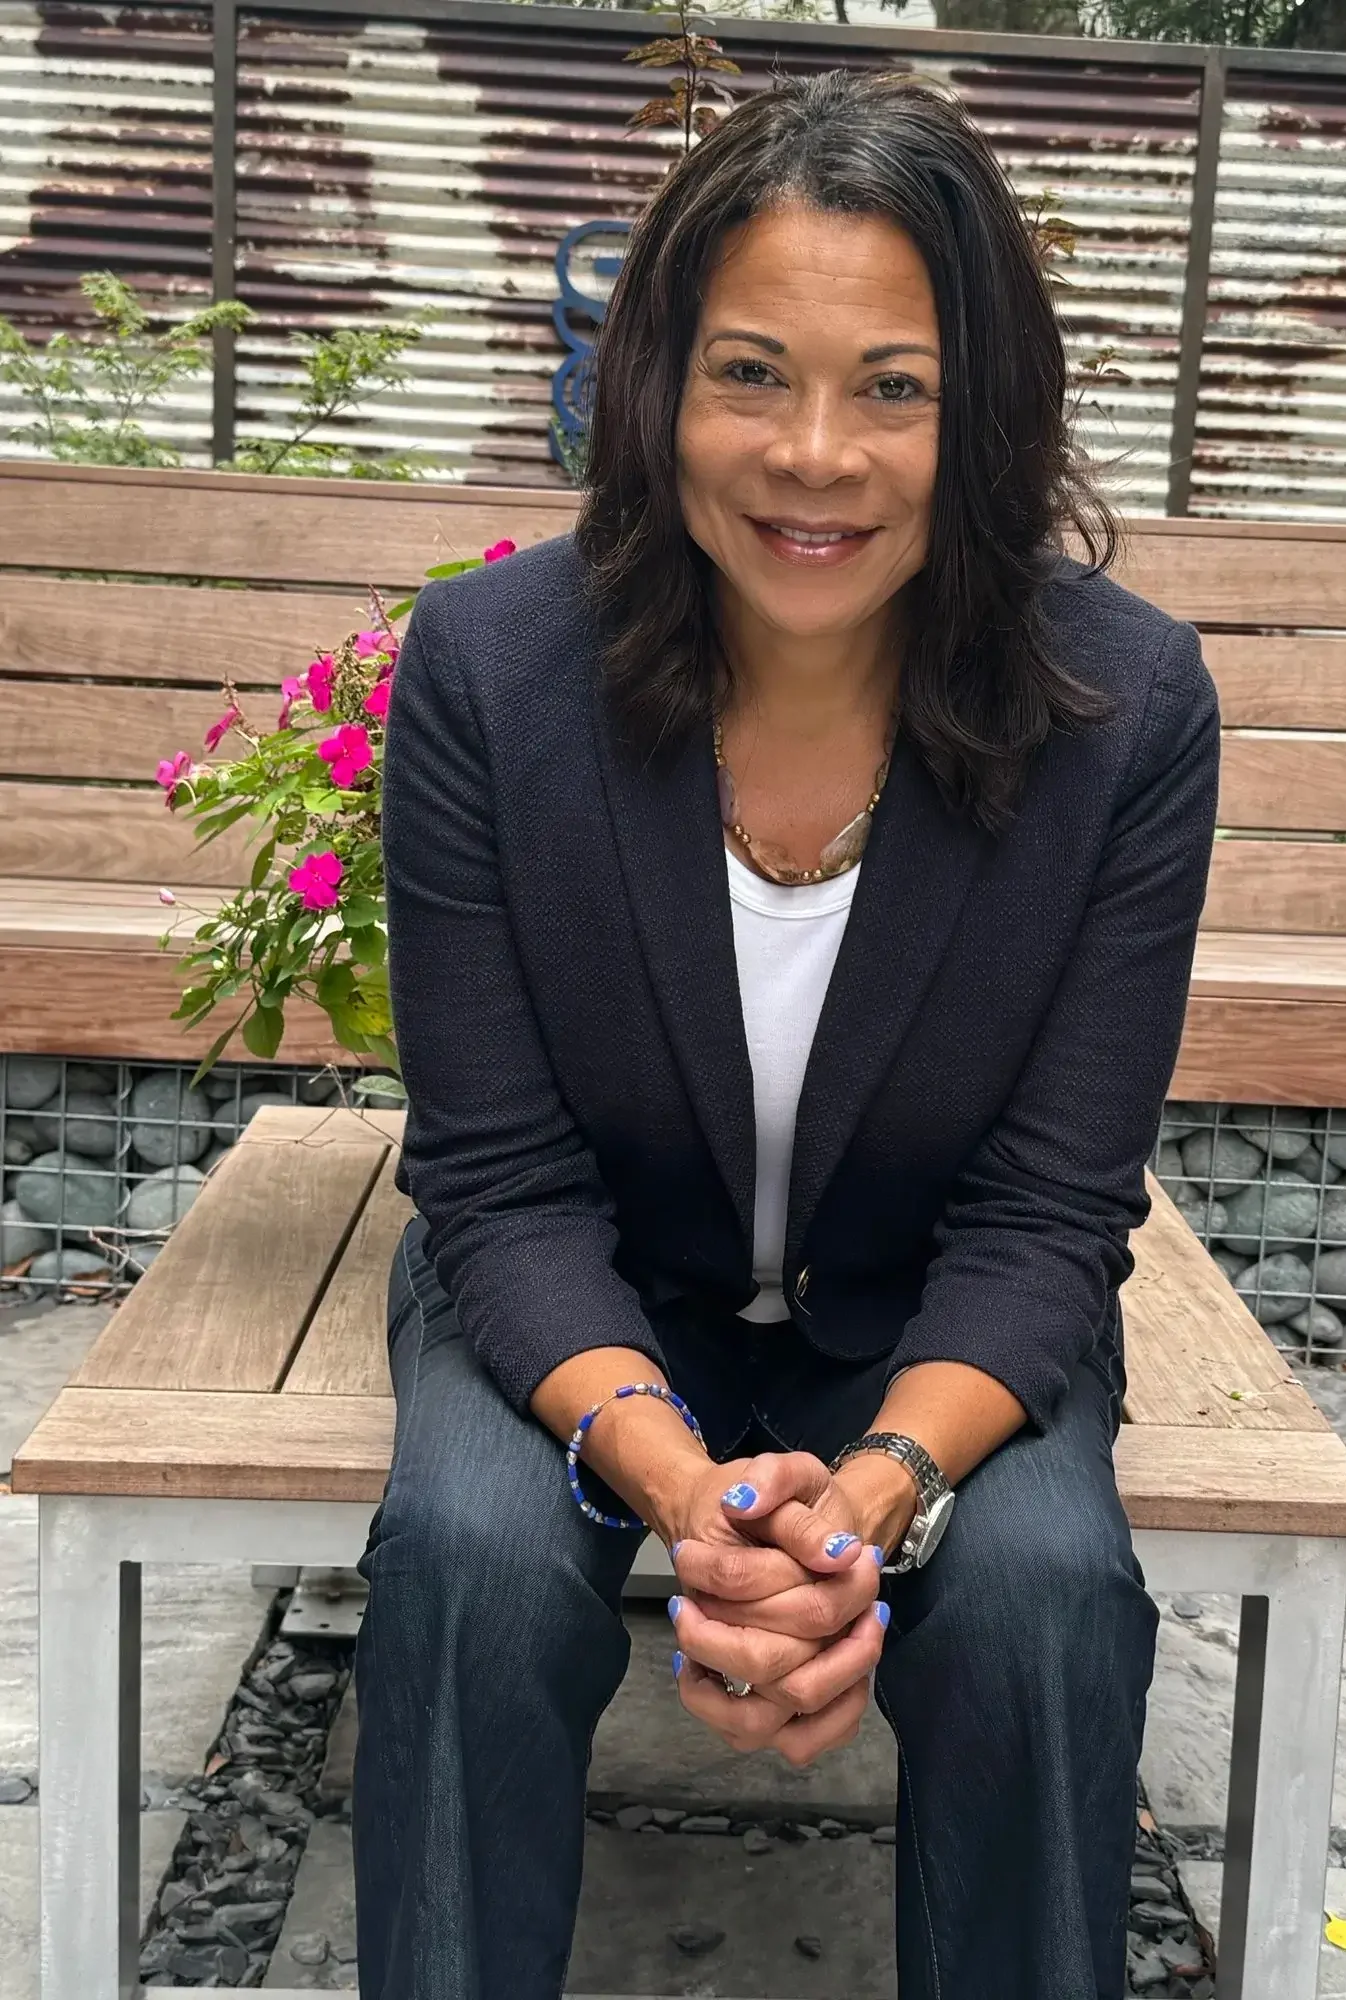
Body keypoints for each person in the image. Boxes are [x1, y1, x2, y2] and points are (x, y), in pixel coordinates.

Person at [354, 67, 1220, 2000]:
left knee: (1049, 1602)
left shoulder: (1122, 715)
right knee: (471, 1569)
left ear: (981, 413)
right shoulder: (495, 676)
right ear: (656, 383)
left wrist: (880, 1495)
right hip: (585, 1293)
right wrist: (693, 1496)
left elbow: (1052, 1211)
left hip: (929, 1312)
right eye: (751, 373)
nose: (814, 454)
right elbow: (496, 1177)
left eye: (893, 389)